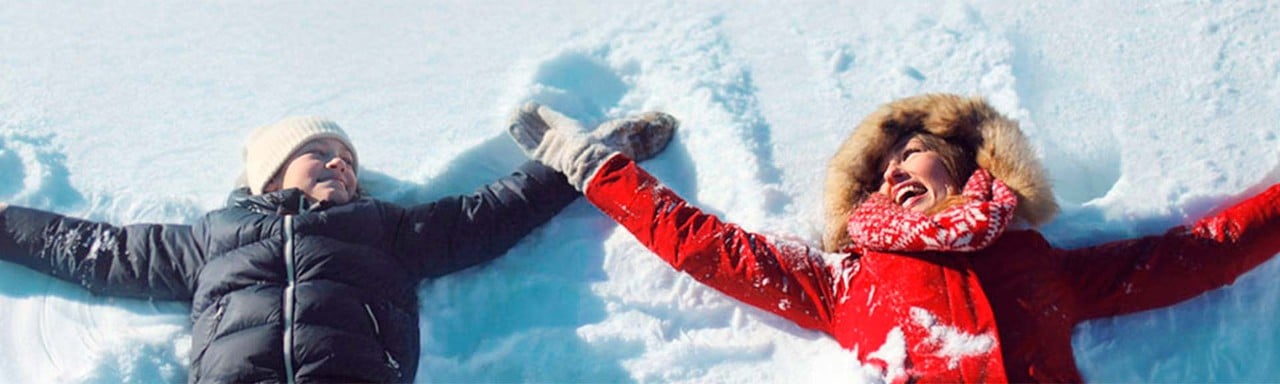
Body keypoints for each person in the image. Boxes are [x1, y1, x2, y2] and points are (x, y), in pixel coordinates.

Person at [508, 93, 1280, 383]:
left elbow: (1200, 255)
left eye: (910, 156)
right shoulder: (848, 281)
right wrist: (589, 164)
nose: (892, 174)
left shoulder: (1037, 263)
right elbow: (698, 243)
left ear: (964, 164)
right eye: (877, 173)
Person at [0, 108, 676, 383]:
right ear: (269, 172)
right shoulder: (212, 239)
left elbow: (493, 213)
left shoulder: (386, 229)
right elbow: (96, 249)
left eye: (346, 158)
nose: (339, 165)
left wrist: (590, 156)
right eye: (318, 153)